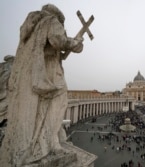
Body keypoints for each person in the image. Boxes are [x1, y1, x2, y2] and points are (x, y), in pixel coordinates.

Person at [0, 4, 83, 166]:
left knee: (36, 111)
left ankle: (32, 145)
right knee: (59, 103)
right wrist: (75, 42)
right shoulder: (51, 20)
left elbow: (55, 50)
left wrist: (69, 45)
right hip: (49, 74)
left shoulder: (32, 25)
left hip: (30, 75)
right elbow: (58, 41)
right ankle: (49, 143)